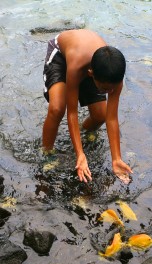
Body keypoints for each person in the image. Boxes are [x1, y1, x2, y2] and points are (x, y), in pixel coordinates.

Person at [42, 29, 132, 183]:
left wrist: (116, 158)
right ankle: (46, 153)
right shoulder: (77, 68)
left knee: (100, 115)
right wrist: (80, 154)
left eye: (112, 88)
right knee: (57, 109)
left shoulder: (114, 76)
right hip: (62, 56)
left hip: (93, 63)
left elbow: (111, 118)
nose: (110, 92)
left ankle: (83, 133)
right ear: (90, 75)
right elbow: (72, 113)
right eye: (105, 89)